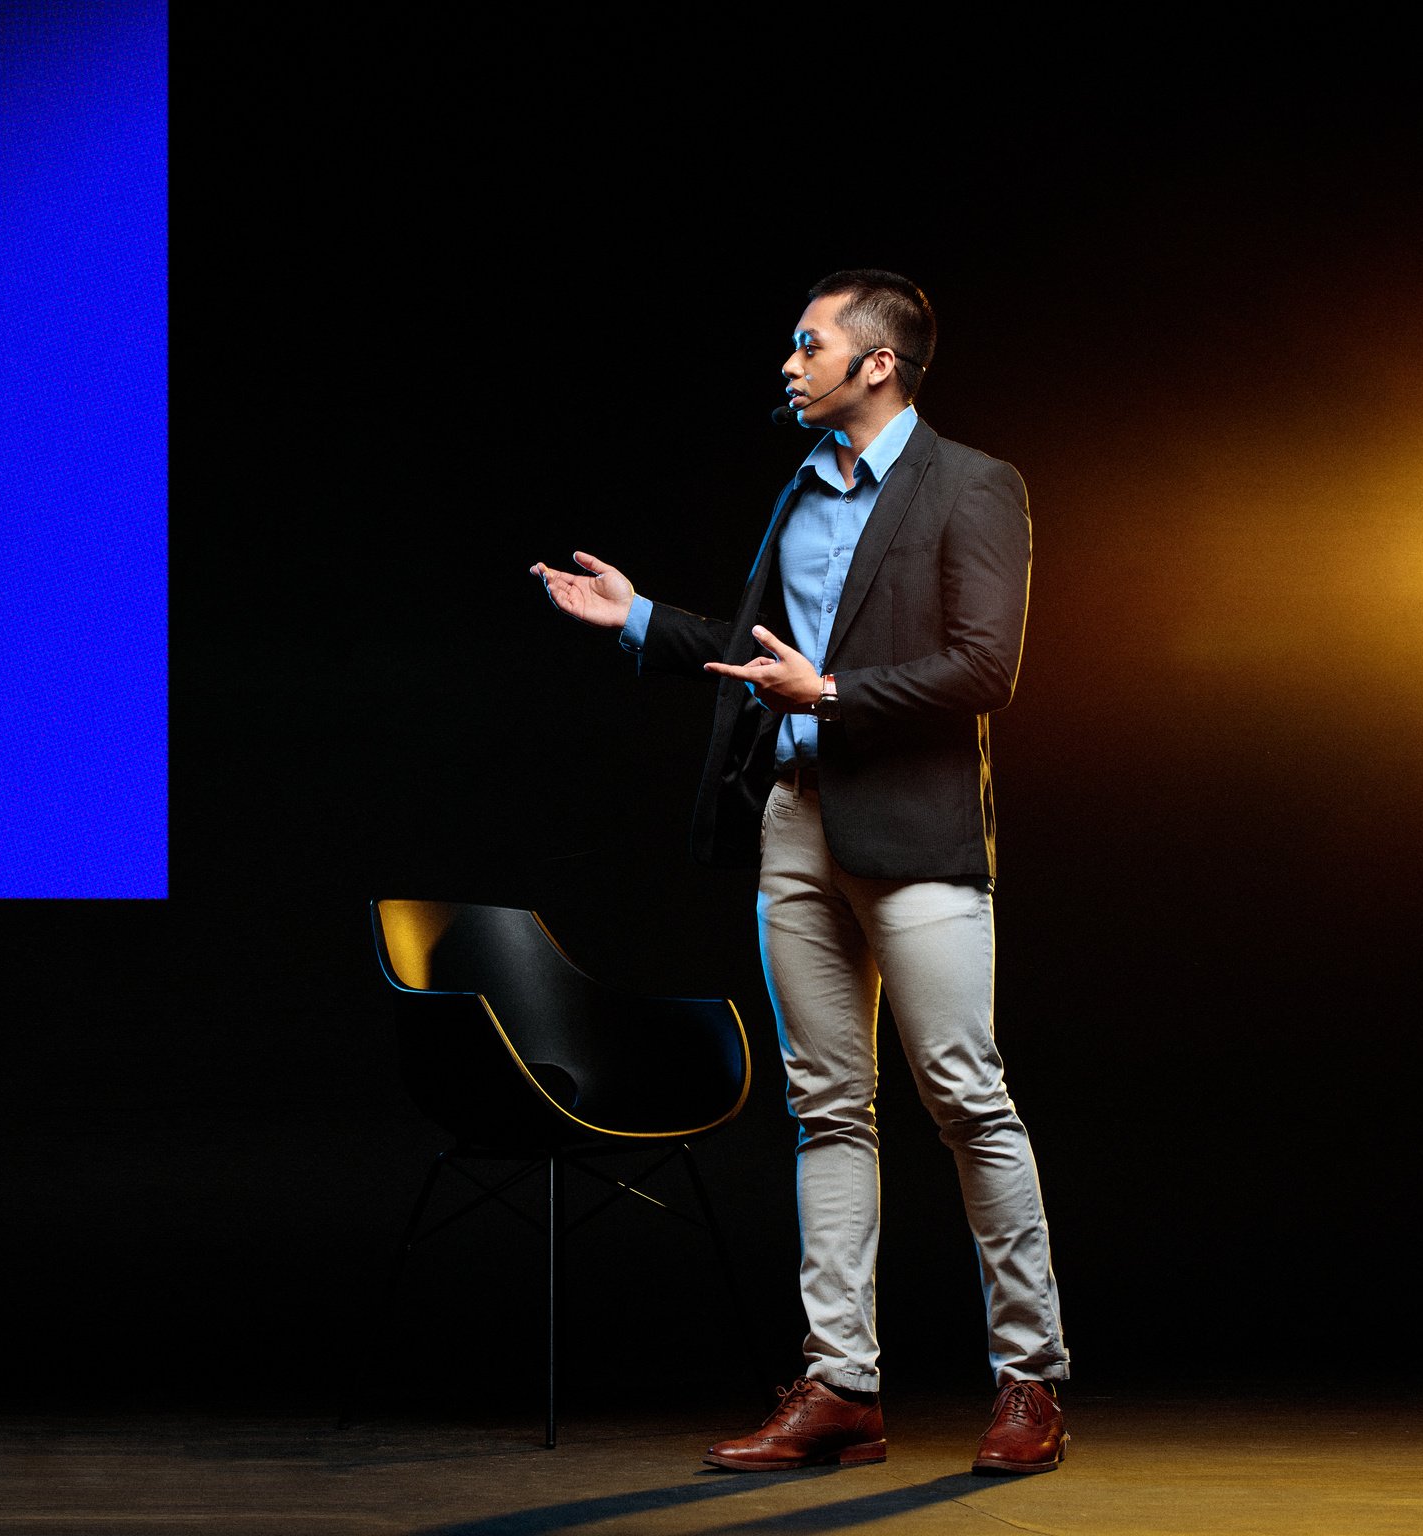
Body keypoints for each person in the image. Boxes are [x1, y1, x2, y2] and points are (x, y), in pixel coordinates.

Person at [530, 269, 1069, 1476]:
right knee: (828, 1111)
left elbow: (987, 668)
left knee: (965, 1099)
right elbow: (756, 657)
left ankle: (1030, 1382)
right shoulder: (802, 491)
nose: (788, 362)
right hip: (794, 823)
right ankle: (842, 1388)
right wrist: (635, 619)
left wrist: (827, 692)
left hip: (917, 836)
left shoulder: (974, 485)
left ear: (875, 364)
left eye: (806, 343)